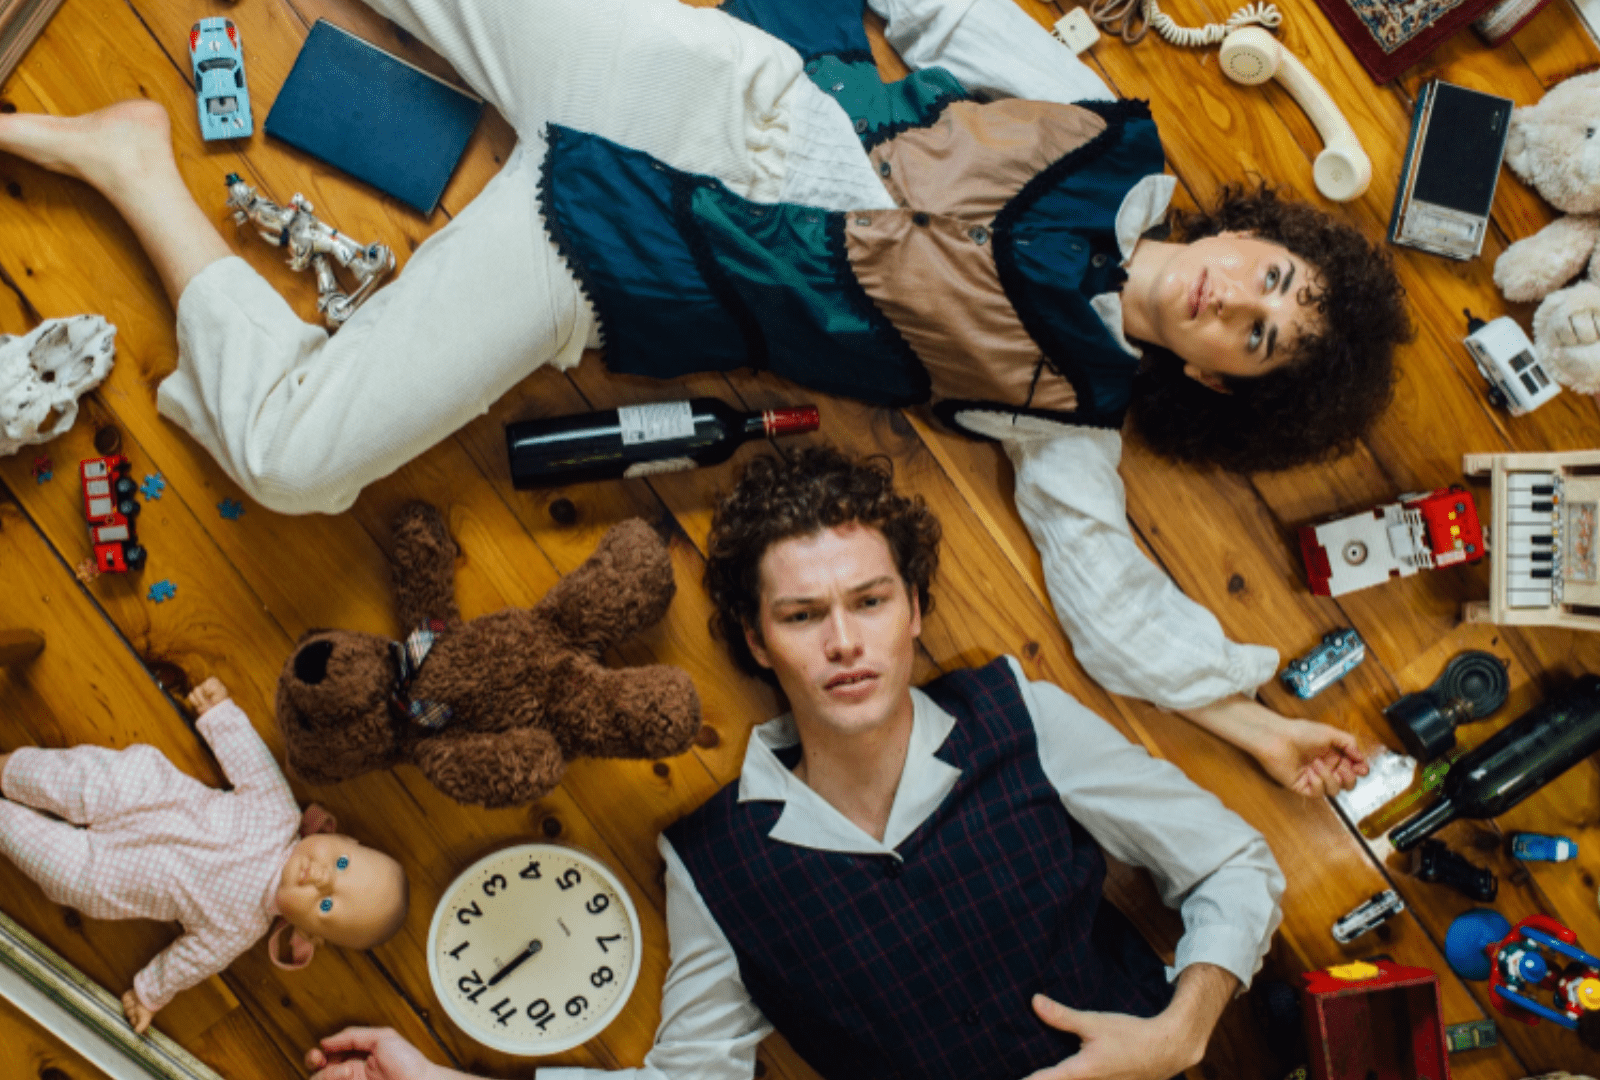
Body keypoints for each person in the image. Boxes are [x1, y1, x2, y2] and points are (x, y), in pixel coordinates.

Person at [0, 0, 1397, 795]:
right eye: (1273, 277)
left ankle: (129, 164)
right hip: (701, 89)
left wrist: (1252, 720)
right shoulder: (1105, 119)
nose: (1248, 304)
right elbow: (939, 8)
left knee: (294, 459)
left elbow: (1110, 604)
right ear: (1247, 232)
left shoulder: (1067, 413)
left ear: (1222, 381)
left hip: (608, 256)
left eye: (1268, 338)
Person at [302, 446, 1284, 1080]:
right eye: (803, 615)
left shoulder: (1018, 717)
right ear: (758, 641)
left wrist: (1179, 1031)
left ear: (915, 611)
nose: (845, 642)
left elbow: (1230, 864)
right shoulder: (714, 861)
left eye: (870, 602)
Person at [0, 677, 409, 1034]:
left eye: (325, 903)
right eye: (340, 864)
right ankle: (7, 771)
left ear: (309, 935)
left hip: (109, 874)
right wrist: (218, 713)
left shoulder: (239, 930)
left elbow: (186, 962)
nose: (321, 877)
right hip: (137, 797)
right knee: (80, 778)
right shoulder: (280, 814)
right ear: (346, 841)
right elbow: (252, 764)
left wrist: (148, 995)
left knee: (67, 877)